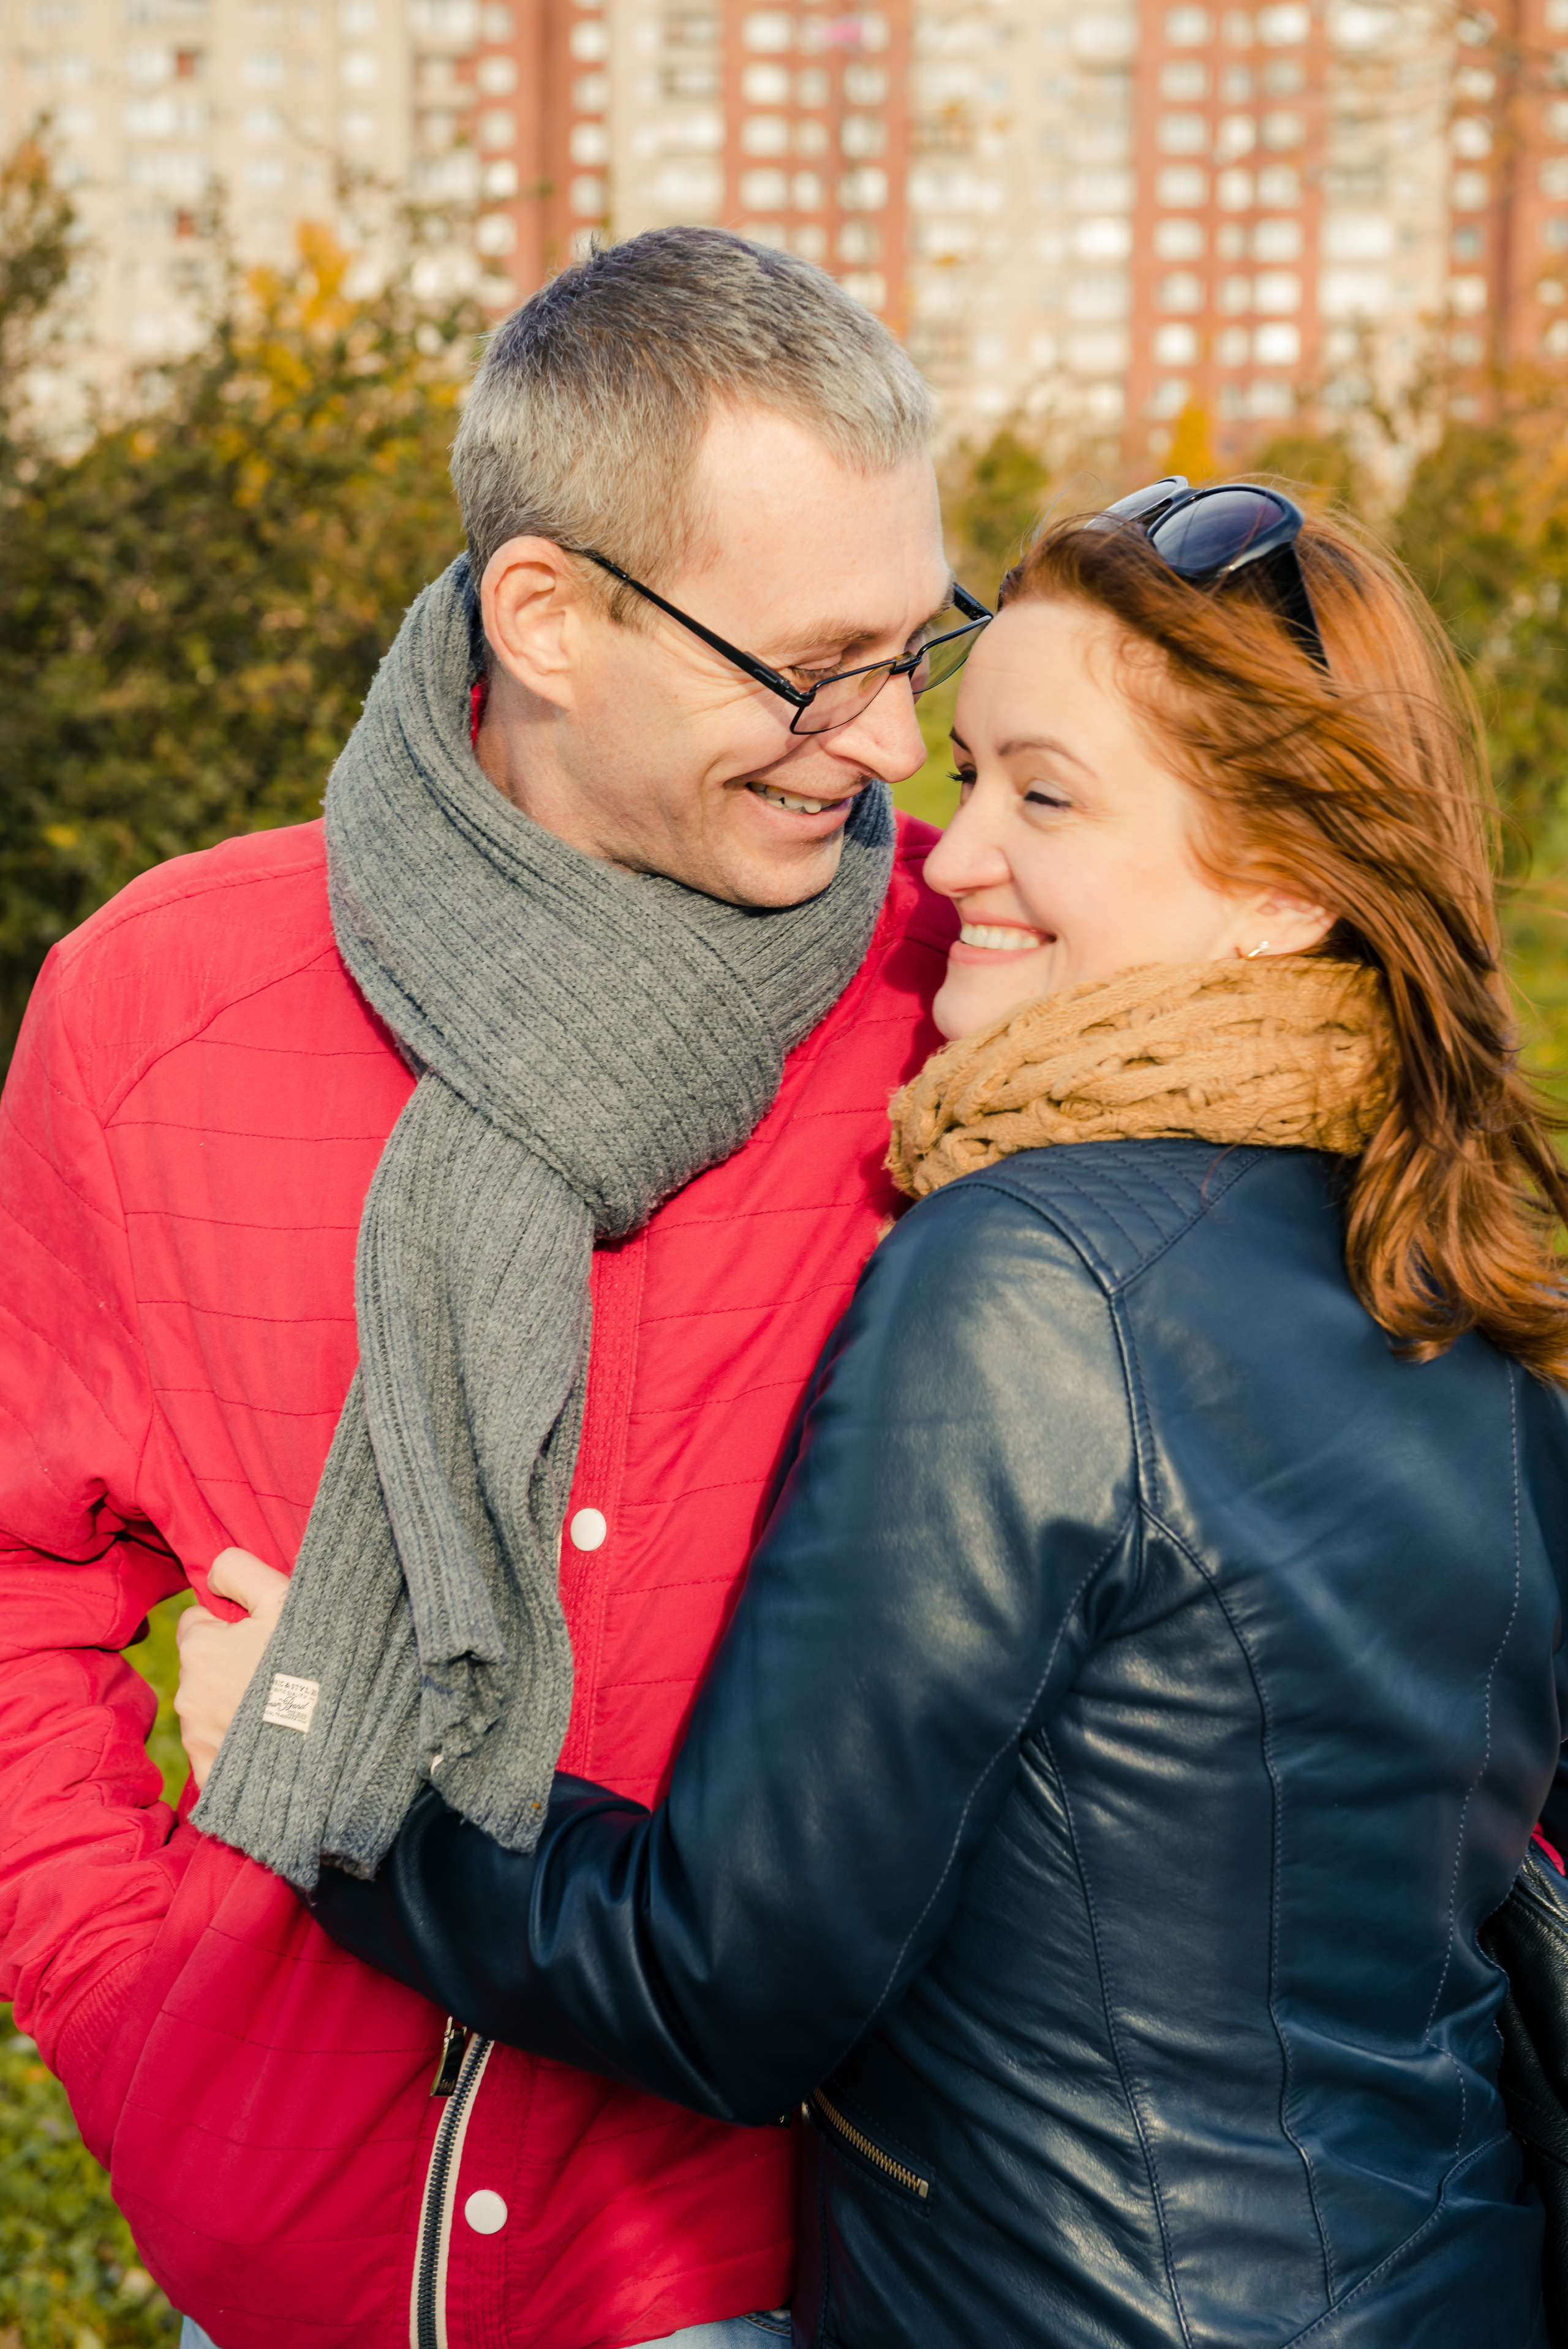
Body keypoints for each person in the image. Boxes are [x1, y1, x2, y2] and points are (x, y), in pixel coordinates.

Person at [187, 483, 1568, 2345]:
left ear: (1284, 888)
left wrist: (333, 1760)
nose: (947, 859)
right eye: (974, 772)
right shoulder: (1464, 1259)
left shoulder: (1033, 1273)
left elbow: (725, 1980)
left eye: (1045, 794)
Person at [0, 227, 983, 2349]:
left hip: (779, 2264)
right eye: (820, 664)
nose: (893, 736)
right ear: (547, 613)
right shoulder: (157, 1008)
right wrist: (126, 1990)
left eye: (925, 644)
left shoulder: (964, 992)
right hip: (291, 2266)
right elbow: (25, 1576)